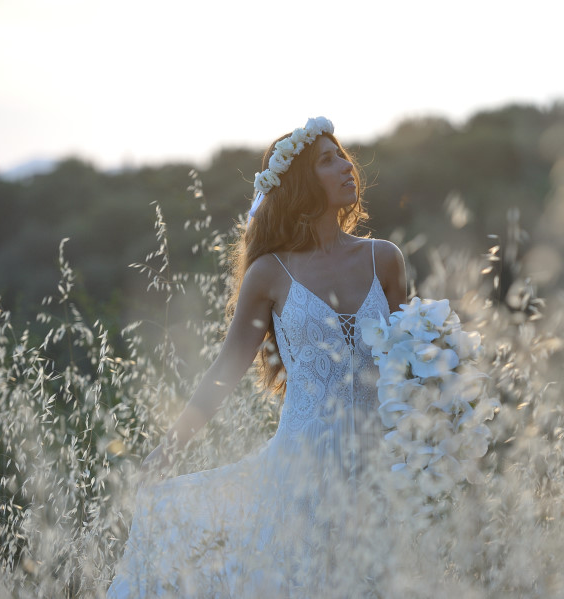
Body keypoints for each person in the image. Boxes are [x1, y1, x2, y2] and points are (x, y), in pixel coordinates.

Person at [107, 117, 406, 597]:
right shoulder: (270, 273)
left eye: (342, 155)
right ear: (301, 184)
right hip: (299, 471)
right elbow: (226, 370)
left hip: (378, 468)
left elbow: (407, 366)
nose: (346, 166)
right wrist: (169, 449)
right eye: (326, 161)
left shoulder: (385, 259)